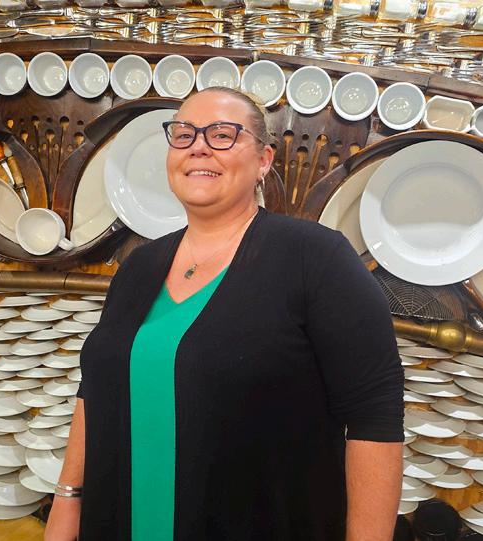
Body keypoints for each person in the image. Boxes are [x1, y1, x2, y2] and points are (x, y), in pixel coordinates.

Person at [44, 87, 404, 541]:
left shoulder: (315, 257)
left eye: (222, 134)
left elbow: (375, 415)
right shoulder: (139, 266)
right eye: (184, 134)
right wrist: (67, 499)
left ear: (264, 160)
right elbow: (95, 390)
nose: (198, 146)